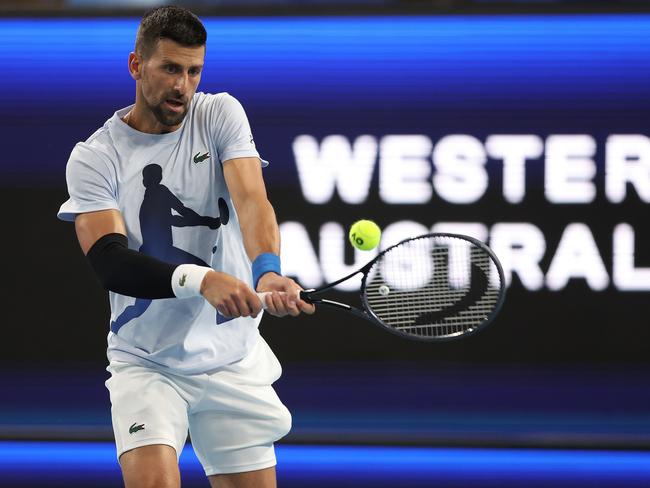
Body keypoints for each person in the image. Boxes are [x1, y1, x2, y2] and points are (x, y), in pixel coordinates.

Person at [57, 6, 314, 488]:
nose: (183, 85)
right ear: (137, 65)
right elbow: (110, 263)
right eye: (170, 68)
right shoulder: (95, 157)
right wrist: (204, 280)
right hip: (147, 364)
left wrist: (268, 270)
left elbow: (252, 199)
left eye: (193, 71)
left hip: (232, 359)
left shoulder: (219, 114)